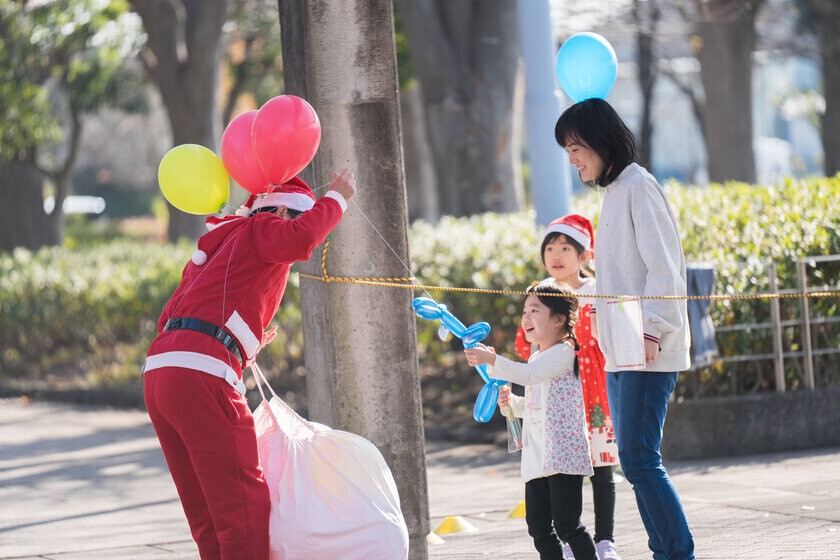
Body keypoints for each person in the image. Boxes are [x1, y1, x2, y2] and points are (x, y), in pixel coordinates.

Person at [142, 169, 356, 560]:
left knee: (207, 512)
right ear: (283, 212)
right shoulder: (264, 227)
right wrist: (337, 198)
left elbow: (181, 314)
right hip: (200, 373)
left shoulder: (220, 242)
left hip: (160, 371)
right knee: (243, 506)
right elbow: (302, 238)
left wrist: (245, 342)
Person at [555, 98, 695, 560]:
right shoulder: (615, 192)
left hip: (646, 347)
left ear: (599, 141)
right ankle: (667, 552)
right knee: (635, 463)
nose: (572, 159)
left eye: (576, 148)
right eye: (568, 150)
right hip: (622, 350)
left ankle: (677, 554)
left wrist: (653, 329)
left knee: (639, 460)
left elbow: (665, 268)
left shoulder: (638, 185)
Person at [514, 214, 621, 560]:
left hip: (595, 392)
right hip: (555, 394)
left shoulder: (597, 290)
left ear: (584, 255)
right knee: (558, 469)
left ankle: (605, 540)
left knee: (601, 466)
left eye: (565, 248)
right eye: (549, 248)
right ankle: (564, 541)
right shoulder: (541, 292)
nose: (556, 255)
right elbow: (523, 343)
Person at [465, 283, 597, 560]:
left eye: (535, 310)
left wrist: (492, 359)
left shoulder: (563, 352)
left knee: (567, 526)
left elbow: (530, 374)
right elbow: (537, 405)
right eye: (525, 310)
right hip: (538, 456)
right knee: (537, 527)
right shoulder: (538, 357)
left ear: (559, 319)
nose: (526, 318)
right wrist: (512, 403)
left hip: (562, 455)